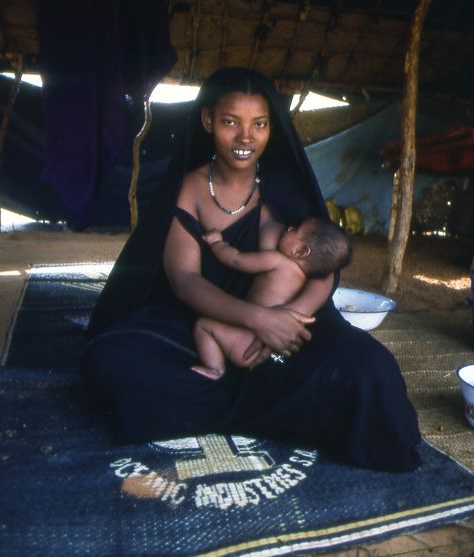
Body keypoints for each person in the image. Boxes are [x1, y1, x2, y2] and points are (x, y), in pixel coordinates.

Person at [82, 67, 421, 472]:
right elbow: (184, 279)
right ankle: (288, 412)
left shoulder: (282, 184)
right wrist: (257, 318)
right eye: (231, 122)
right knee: (111, 362)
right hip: (200, 324)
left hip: (284, 336)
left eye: (259, 124)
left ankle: (217, 405)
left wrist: (291, 319)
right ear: (208, 121)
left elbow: (324, 267)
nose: (246, 138)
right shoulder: (189, 188)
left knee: (372, 370)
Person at [192, 212, 352, 379]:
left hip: (247, 344)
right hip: (279, 346)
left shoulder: (276, 261)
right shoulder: (303, 280)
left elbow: (236, 260)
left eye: (295, 230)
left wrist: (217, 243)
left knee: (203, 326)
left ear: (301, 252)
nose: (289, 228)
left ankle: (215, 369)